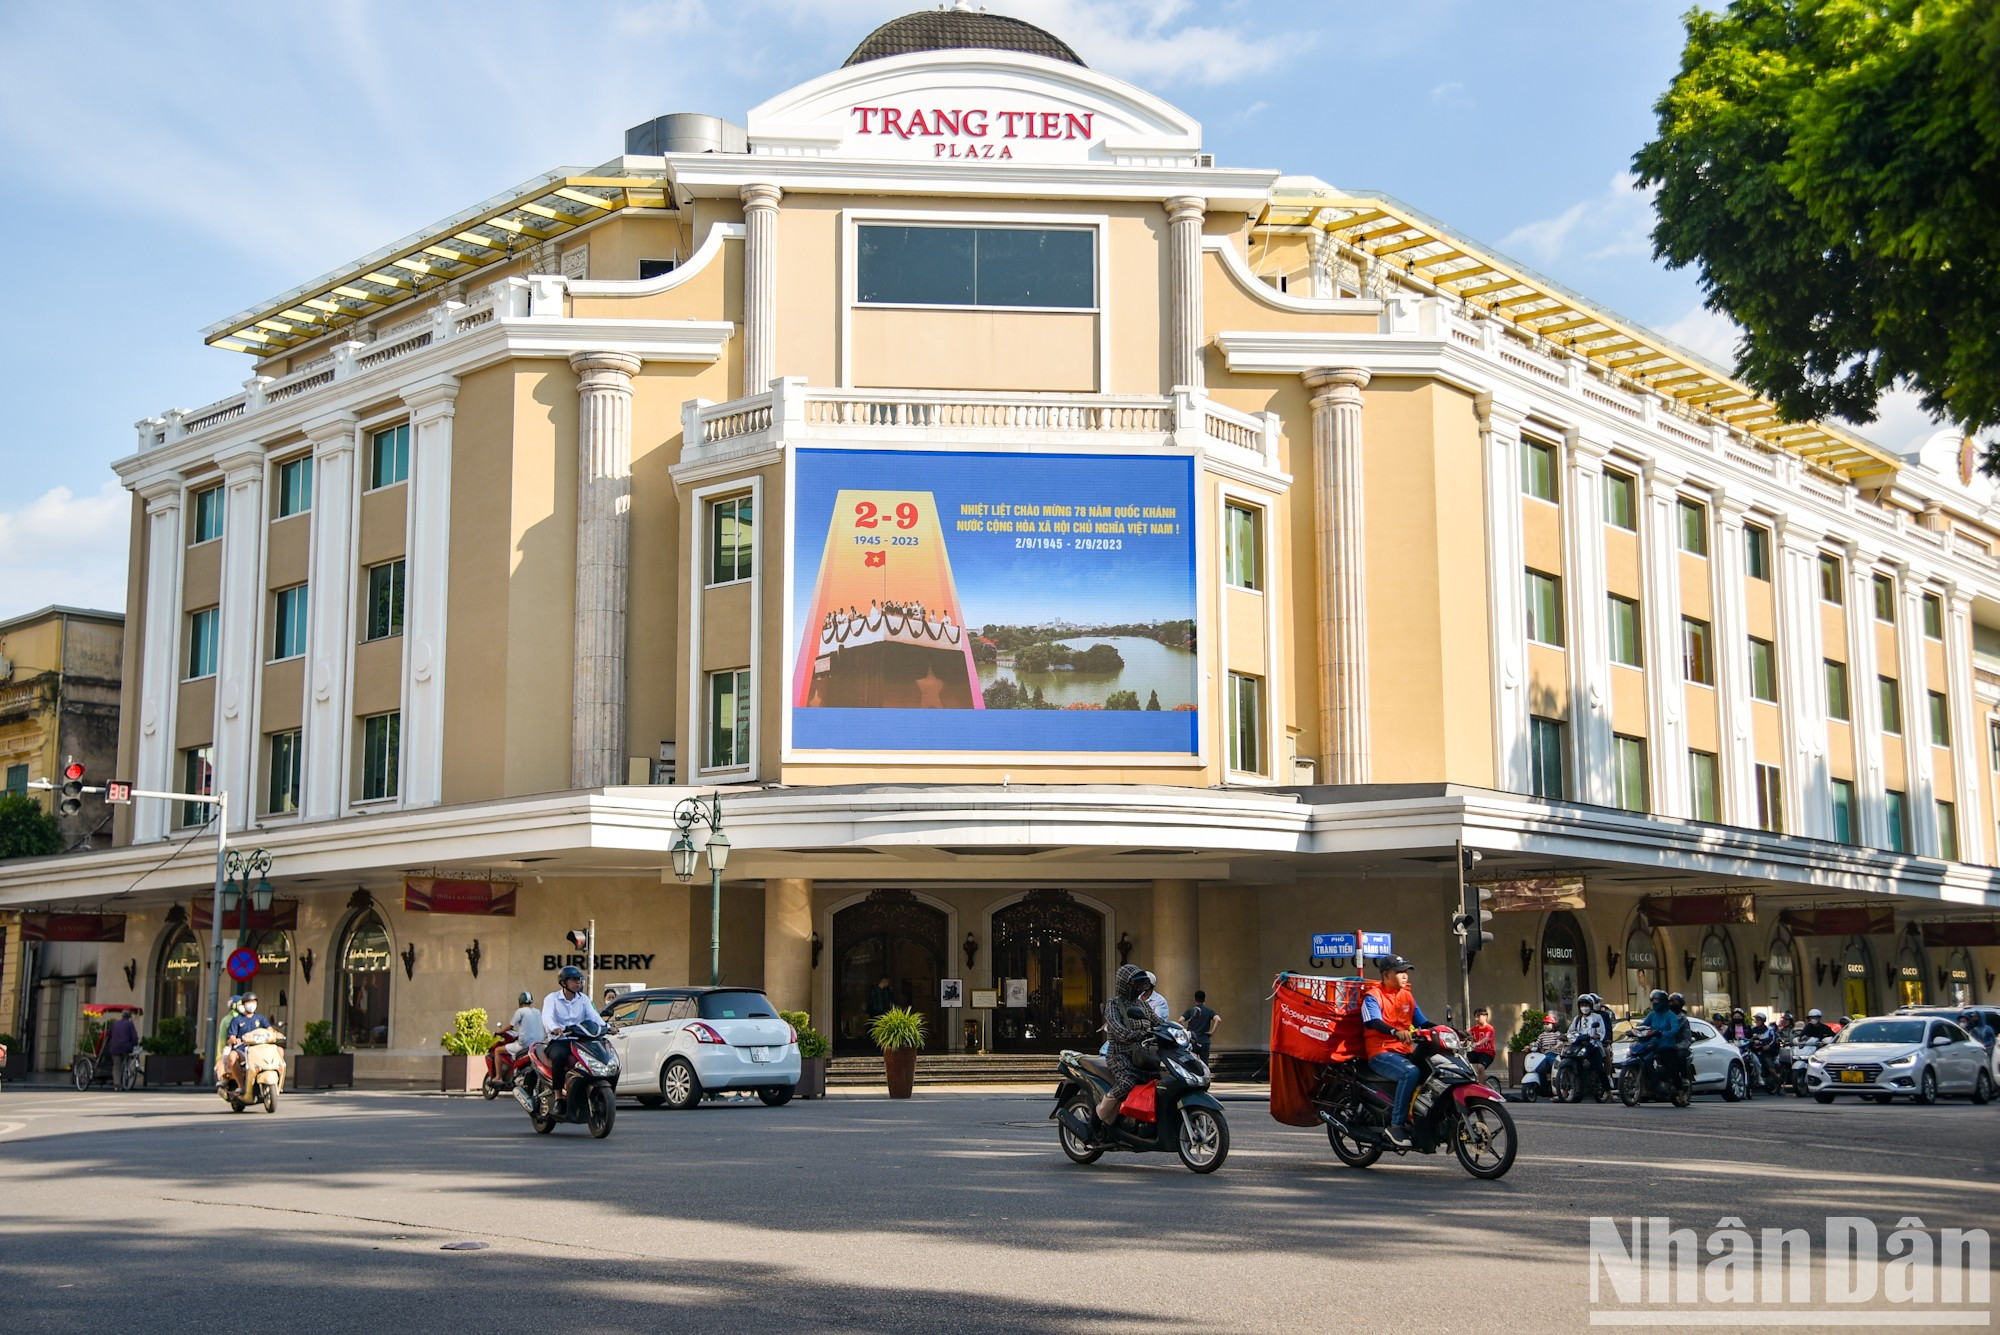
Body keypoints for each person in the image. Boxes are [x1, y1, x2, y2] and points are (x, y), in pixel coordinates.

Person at [1361, 955, 1433, 1149]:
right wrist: (1394, 1031)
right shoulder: (1373, 996)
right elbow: (1373, 1021)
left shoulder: (1407, 996)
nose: (1405, 976)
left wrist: (1452, 1031)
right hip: (1380, 1052)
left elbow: (1423, 1023)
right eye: (1400, 972)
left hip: (1403, 1052)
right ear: (1386, 974)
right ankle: (1397, 1125)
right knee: (1411, 1072)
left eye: (1406, 972)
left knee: (1433, 1070)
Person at [1088, 963, 1161, 1134]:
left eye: (1139, 983)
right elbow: (1115, 1026)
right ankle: (1097, 1116)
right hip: (1119, 1055)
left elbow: (1158, 1021)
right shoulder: (1114, 1004)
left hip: (1142, 1054)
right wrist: (1132, 1034)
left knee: (1161, 1080)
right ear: (1124, 984)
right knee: (1128, 1083)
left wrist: (1179, 1032)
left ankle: (1146, 1120)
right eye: (1134, 983)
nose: (1137, 987)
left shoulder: (1142, 1004)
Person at [540, 965, 607, 1093]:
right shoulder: (552, 999)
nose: (578, 982)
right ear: (564, 982)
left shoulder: (583, 999)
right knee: (560, 1057)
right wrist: (554, 1028)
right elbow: (547, 1016)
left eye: (579, 979)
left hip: (579, 1041)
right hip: (559, 1041)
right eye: (574, 979)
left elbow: (593, 1016)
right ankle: (558, 1096)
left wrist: (607, 1027)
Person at [222, 993, 282, 1088]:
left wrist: (276, 1034)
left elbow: (269, 1029)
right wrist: (234, 1039)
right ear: (244, 1004)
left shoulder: (260, 1018)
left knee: (279, 1050)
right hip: (243, 1050)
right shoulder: (236, 1020)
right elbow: (231, 1036)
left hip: (260, 1049)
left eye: (253, 1002)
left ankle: (278, 1082)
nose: (251, 1004)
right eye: (249, 1002)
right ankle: (241, 1085)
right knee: (232, 1056)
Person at [1180, 990, 1221, 1064]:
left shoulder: (1191, 1010)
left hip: (1193, 1041)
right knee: (1204, 1064)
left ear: (1194, 999)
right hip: (1205, 1040)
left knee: (1191, 1063)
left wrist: (1186, 1031)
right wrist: (1212, 1032)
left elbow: (1180, 1020)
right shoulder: (1209, 1011)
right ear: (1204, 999)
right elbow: (1218, 1019)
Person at [103, 1011, 140, 1086]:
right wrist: (135, 1043)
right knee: (129, 1060)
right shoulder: (130, 1024)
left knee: (117, 1066)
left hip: (115, 1048)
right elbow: (134, 1036)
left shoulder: (115, 1023)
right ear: (129, 1017)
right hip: (126, 1047)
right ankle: (127, 1081)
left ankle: (116, 1084)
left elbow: (108, 1034)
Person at [506, 990, 545, 1057]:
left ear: (520, 1001)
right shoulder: (537, 1011)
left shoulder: (520, 1011)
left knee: (498, 1050)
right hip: (538, 1044)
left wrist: (499, 1031)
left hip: (524, 1045)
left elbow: (510, 1026)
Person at [1465, 1007, 1496, 1075]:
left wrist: (1478, 1043)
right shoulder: (1475, 1028)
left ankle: (1482, 1085)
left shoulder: (1489, 1028)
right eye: (1475, 1017)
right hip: (1477, 1052)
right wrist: (1465, 1037)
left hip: (1488, 1053)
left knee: (1480, 1067)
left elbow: (1487, 1038)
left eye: (1478, 1016)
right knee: (1463, 1060)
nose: (1476, 1019)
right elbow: (1468, 1035)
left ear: (1485, 1016)